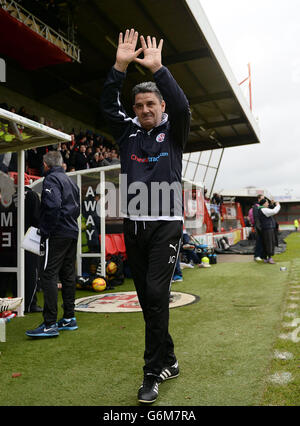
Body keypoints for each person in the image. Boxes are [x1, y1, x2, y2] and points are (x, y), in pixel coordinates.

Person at [101, 29, 190, 404]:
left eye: (151, 104)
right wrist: (120, 67)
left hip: (165, 227)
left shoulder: (174, 131)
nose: (145, 110)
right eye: (139, 106)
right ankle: (168, 358)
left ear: (162, 106)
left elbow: (183, 107)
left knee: (156, 294)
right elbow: (108, 107)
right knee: (148, 300)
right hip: (133, 227)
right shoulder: (127, 134)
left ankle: (152, 373)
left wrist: (160, 71)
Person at [26, 151, 80, 338]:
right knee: (67, 275)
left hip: (57, 233)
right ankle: (69, 317)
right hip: (72, 232)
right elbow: (77, 208)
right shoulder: (71, 182)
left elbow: (53, 205)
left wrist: (45, 230)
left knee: (48, 274)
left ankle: (49, 323)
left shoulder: (50, 180)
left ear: (46, 165)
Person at [257, 198, 281, 264]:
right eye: (267, 202)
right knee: (270, 243)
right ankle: (270, 258)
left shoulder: (261, 209)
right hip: (268, 229)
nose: (268, 204)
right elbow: (274, 211)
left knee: (266, 243)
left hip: (266, 228)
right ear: (264, 203)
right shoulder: (263, 209)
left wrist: (272, 204)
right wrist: (278, 205)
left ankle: (265, 258)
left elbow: (270, 209)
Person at [249, 194, 264, 262]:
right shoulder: (256, 207)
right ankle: (257, 255)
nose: (264, 200)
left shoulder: (259, 206)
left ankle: (260, 255)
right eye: (262, 198)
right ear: (259, 199)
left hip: (260, 226)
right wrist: (258, 227)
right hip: (258, 227)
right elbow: (256, 218)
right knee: (259, 241)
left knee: (261, 241)